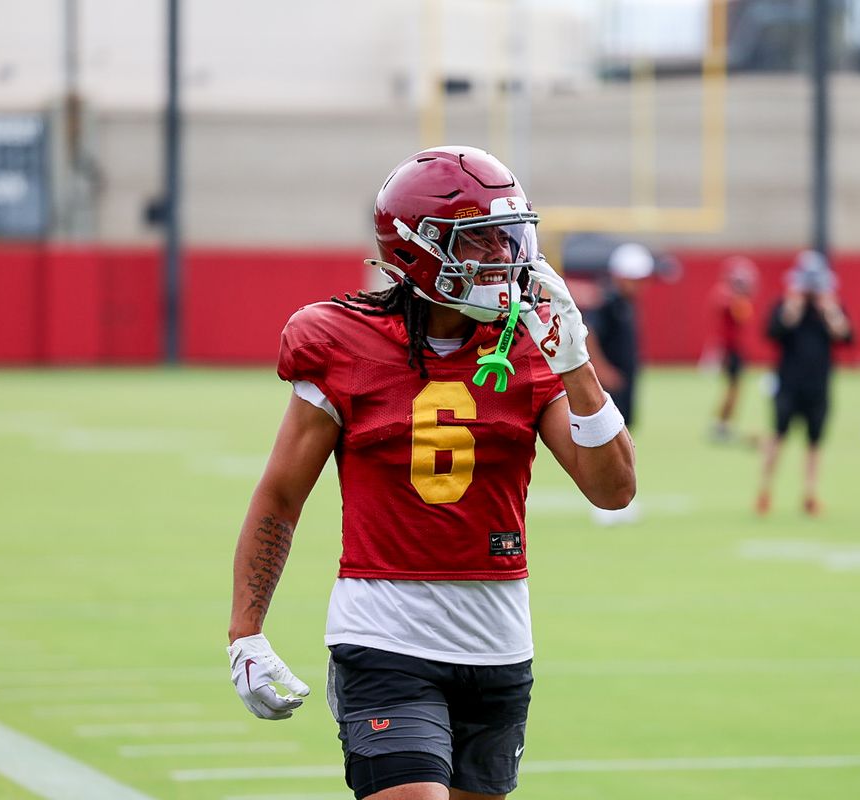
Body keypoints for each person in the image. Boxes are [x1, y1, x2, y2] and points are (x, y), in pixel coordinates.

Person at [226, 146, 636, 800]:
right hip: (385, 638)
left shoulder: (529, 344)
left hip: (499, 644)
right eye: (480, 242)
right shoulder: (340, 339)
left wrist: (575, 362)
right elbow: (280, 496)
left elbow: (613, 490)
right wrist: (245, 630)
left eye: (509, 237)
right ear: (418, 251)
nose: (504, 257)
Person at [756, 250, 851, 516]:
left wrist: (830, 311)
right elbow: (771, 332)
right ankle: (765, 490)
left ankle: (810, 493)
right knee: (778, 437)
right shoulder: (787, 305)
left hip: (818, 386)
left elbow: (846, 337)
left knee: (814, 443)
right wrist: (792, 309)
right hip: (788, 384)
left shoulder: (830, 307)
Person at [583, 241, 653, 524]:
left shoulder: (625, 302)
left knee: (624, 438)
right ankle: (604, 503)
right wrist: (602, 370)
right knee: (608, 442)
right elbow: (589, 334)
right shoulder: (609, 302)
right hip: (611, 384)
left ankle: (620, 499)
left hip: (625, 381)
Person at [706, 256, 759, 443]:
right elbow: (738, 313)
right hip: (730, 350)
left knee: (735, 389)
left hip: (733, 349)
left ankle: (724, 424)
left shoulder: (734, 298)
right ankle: (720, 425)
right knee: (733, 389)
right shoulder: (729, 298)